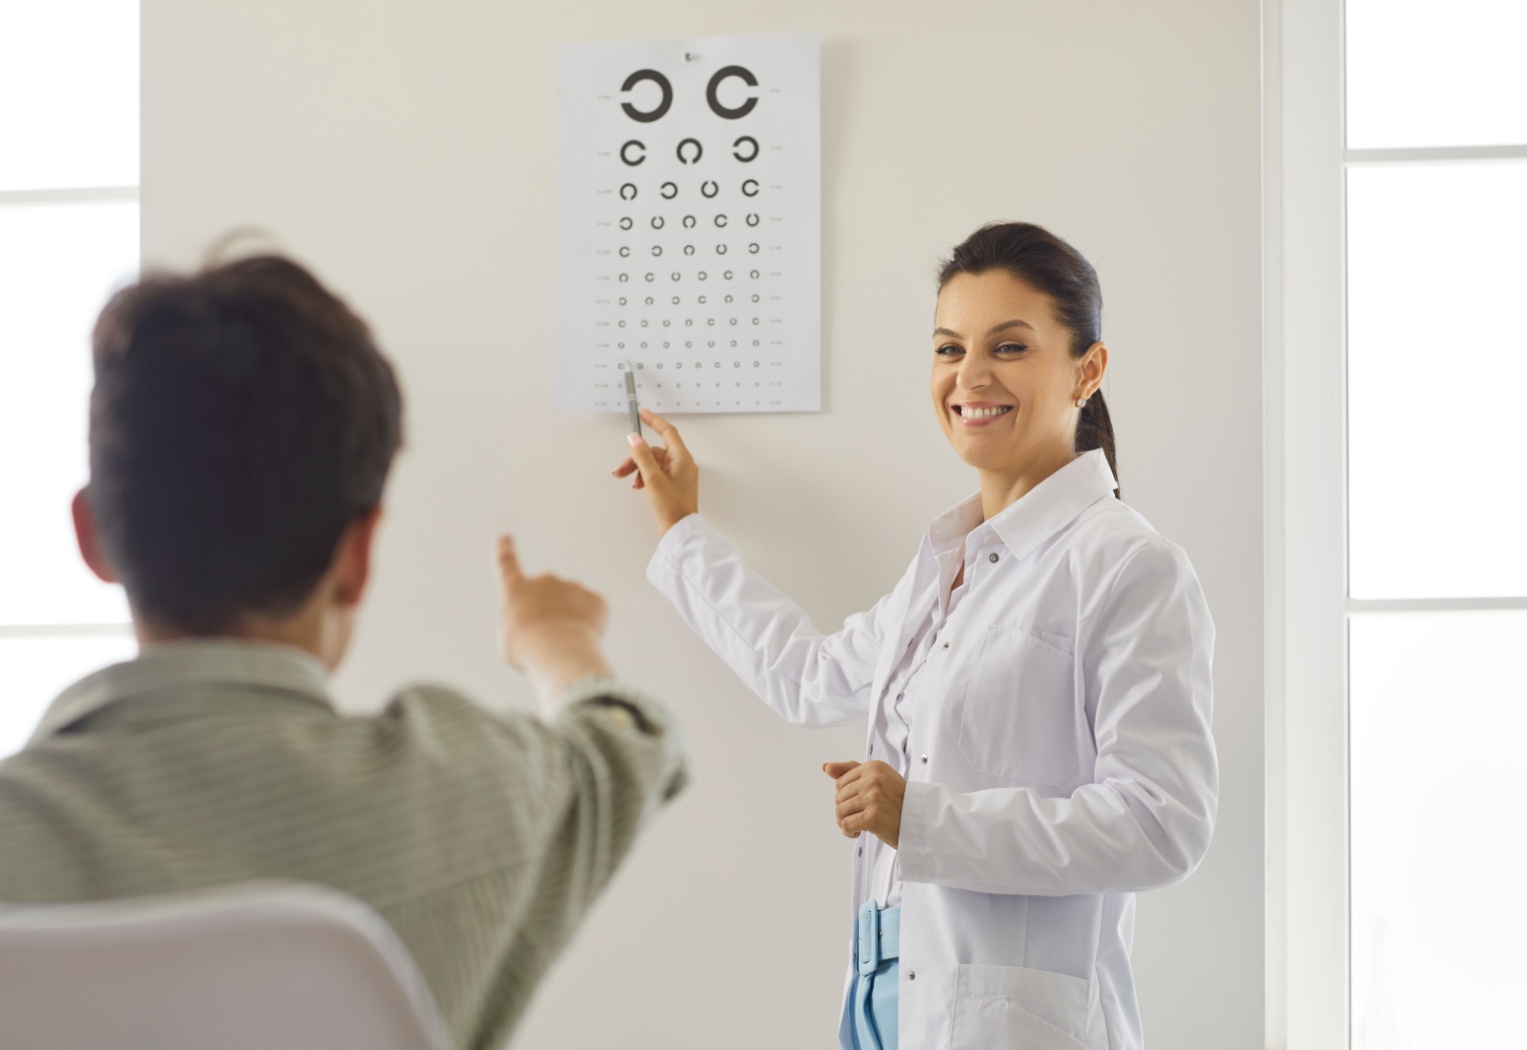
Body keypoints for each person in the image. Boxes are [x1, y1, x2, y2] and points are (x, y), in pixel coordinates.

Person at [0, 254, 687, 1050]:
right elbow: (626, 743)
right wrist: (554, 638)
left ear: (94, 537)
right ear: (357, 557)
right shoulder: (475, 789)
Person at [615, 222, 1218, 1050]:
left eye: (1008, 347)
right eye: (948, 348)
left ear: (1089, 368)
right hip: (882, 998)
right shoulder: (948, 565)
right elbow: (810, 676)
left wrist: (924, 822)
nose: (969, 376)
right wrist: (683, 534)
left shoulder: (1126, 567)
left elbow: (1163, 824)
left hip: (1010, 1024)